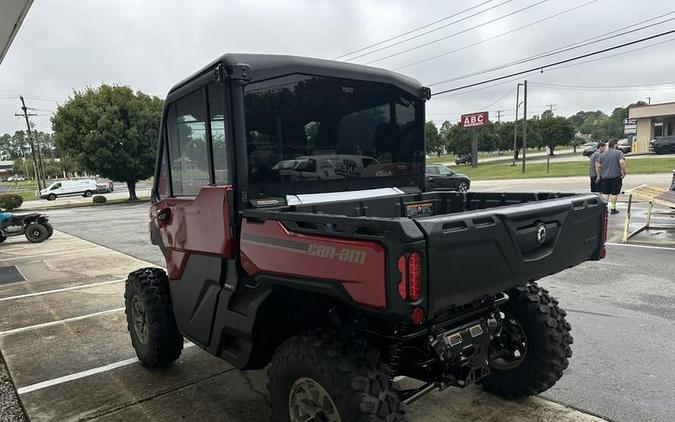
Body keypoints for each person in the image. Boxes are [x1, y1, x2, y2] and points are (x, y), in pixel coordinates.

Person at [596, 139, 626, 214]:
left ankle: (604, 209)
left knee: (605, 194)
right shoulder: (619, 152)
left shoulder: (602, 155)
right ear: (615, 145)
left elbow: (599, 166)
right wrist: (624, 171)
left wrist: (599, 175)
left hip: (605, 177)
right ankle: (613, 208)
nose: (618, 146)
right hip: (615, 176)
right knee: (614, 193)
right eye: (617, 144)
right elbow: (621, 162)